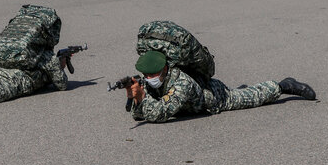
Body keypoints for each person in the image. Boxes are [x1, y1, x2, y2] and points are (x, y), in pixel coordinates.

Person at [125, 51, 316, 123]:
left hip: (215, 96)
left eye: (152, 74)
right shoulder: (151, 80)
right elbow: (138, 115)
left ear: (164, 68)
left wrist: (142, 97)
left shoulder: (181, 82)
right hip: (190, 104)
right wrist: (134, 96)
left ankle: (284, 85)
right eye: (146, 75)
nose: (148, 79)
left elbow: (160, 114)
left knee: (253, 97)